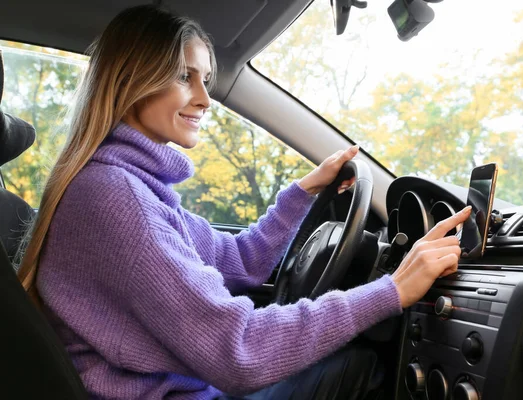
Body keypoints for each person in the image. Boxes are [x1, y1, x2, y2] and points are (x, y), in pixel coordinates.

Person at [16, 5, 470, 399]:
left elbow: (240, 260)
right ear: (133, 80)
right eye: (183, 76)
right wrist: (391, 291)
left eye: (207, 80)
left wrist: (303, 191)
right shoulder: (117, 197)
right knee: (367, 363)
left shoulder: (129, 185)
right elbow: (239, 352)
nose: (204, 98)